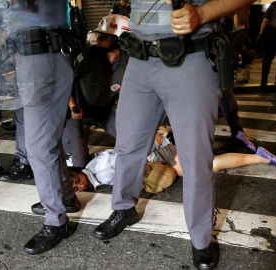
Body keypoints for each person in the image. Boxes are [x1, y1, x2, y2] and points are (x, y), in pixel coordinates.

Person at [92, 1, 256, 270]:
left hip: (190, 58)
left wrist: (202, 13)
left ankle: (201, 239)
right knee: (128, 146)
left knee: (195, 159)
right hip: (139, 61)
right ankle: (124, 209)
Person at [9, 1, 81, 255]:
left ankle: (57, 222)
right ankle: (65, 196)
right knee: (45, 138)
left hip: (43, 51)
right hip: (32, 51)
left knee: (39, 145)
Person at [63, 14, 130, 168]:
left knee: (133, 140)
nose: (98, 39)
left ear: (120, 40)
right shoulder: (86, 56)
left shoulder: (129, 63)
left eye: (104, 37)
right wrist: (73, 106)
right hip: (78, 112)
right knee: (79, 164)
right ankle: (66, 140)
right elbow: (65, 84)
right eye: (98, 35)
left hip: (104, 111)